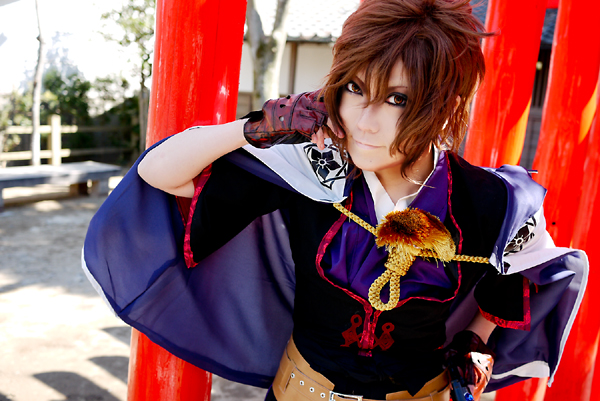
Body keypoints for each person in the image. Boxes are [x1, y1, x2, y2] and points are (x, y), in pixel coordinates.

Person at [82, 0, 587, 400]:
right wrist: (256, 127)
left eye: (398, 99)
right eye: (355, 88)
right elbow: (160, 173)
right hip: (301, 390)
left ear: (444, 105)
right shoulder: (312, 171)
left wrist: (475, 338)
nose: (365, 120)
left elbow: (517, 270)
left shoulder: (486, 199)